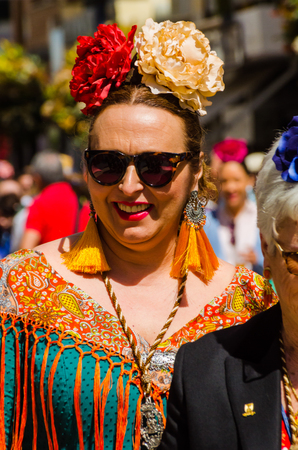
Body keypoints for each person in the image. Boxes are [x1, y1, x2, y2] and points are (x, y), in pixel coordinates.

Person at [0, 19, 275, 450]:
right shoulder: (18, 289)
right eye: (108, 164)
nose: (129, 186)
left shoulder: (254, 302)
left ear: (196, 170)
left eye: (156, 166)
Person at [160, 116, 298, 450]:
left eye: (236, 180)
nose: (231, 188)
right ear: (269, 249)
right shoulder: (207, 218)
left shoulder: (251, 214)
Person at [205, 160, 263, 273]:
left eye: (236, 180)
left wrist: (259, 260)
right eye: (224, 181)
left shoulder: (262, 218)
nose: (231, 187)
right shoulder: (208, 221)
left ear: (250, 180)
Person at [20, 150, 79, 248]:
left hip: (52, 262)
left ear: (37, 178)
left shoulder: (40, 203)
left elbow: (26, 250)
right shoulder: (79, 196)